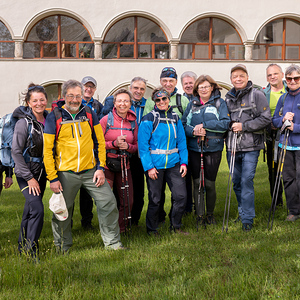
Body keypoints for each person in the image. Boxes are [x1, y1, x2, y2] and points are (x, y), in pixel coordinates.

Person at [43, 79, 123, 253]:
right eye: (71, 96)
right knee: (63, 211)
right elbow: (47, 150)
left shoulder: (88, 113)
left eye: (78, 96)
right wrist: (53, 178)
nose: (74, 99)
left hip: (91, 171)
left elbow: (100, 142)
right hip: (65, 173)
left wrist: (100, 168)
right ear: (64, 96)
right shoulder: (54, 116)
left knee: (108, 202)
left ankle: (113, 243)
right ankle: (63, 247)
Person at [225, 64, 271, 231]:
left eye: (241, 76)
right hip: (232, 147)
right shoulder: (228, 98)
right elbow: (225, 120)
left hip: (251, 146)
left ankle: (248, 220)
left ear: (247, 77)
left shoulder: (257, 94)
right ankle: (242, 212)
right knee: (236, 182)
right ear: (231, 79)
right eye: (235, 76)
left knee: (246, 180)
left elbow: (266, 118)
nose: (238, 79)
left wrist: (243, 126)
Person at [138, 87, 188, 235]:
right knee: (155, 199)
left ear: (168, 100)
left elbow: (182, 142)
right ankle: (152, 229)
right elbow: (143, 147)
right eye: (158, 100)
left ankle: (176, 226)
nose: (161, 102)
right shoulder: (148, 119)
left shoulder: (175, 118)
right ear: (154, 101)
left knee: (180, 196)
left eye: (164, 99)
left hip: (174, 163)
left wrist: (184, 163)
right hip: (155, 166)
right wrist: (149, 167)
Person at [182, 75, 230, 225]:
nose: (203, 89)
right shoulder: (192, 104)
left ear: (212, 88)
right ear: (197, 89)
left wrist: (204, 125)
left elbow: (225, 123)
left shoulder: (219, 103)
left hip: (213, 148)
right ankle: (199, 215)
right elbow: (183, 126)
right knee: (197, 183)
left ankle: (210, 215)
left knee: (209, 183)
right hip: (194, 148)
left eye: (206, 86)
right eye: (200, 87)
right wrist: (194, 131)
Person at [100, 77, 147, 226]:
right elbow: (97, 144)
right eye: (120, 101)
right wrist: (113, 143)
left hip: (125, 164)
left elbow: (136, 145)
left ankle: (122, 229)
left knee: (128, 200)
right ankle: (108, 230)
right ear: (114, 103)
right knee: (107, 199)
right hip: (108, 164)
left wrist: (128, 147)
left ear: (130, 104)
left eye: (126, 101)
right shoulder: (105, 120)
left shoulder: (132, 122)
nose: (123, 104)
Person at [11, 84, 48, 261]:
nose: (39, 103)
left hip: (42, 172)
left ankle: (22, 246)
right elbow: (16, 152)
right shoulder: (22, 123)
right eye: (35, 100)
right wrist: (29, 178)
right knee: (38, 210)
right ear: (28, 102)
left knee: (30, 210)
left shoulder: (48, 121)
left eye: (42, 99)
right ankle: (32, 251)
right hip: (26, 173)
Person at [272, 64, 300, 221]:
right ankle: (293, 211)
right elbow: (274, 121)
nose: (293, 81)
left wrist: (295, 127)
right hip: (285, 145)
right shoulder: (283, 98)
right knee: (288, 179)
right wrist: (282, 119)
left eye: (296, 78)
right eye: (289, 78)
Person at [79, 76, 103, 230]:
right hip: (75, 151)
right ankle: (66, 222)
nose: (88, 89)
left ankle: (87, 221)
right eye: (86, 86)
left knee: (88, 189)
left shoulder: (98, 106)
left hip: (92, 151)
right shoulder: (73, 103)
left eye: (91, 87)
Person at [263, 64, 287, 207]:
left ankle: (293, 201)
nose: (272, 77)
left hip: (287, 134)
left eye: (275, 74)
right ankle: (276, 200)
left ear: (282, 75)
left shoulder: (289, 90)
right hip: (270, 136)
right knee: (273, 169)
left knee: (289, 169)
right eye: (269, 75)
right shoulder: (263, 93)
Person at [180, 71, 197, 214]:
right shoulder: (181, 100)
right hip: (184, 143)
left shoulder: (201, 98)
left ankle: (199, 206)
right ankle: (187, 208)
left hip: (198, 143)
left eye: (191, 82)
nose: (189, 85)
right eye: (186, 83)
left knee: (197, 176)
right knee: (185, 176)